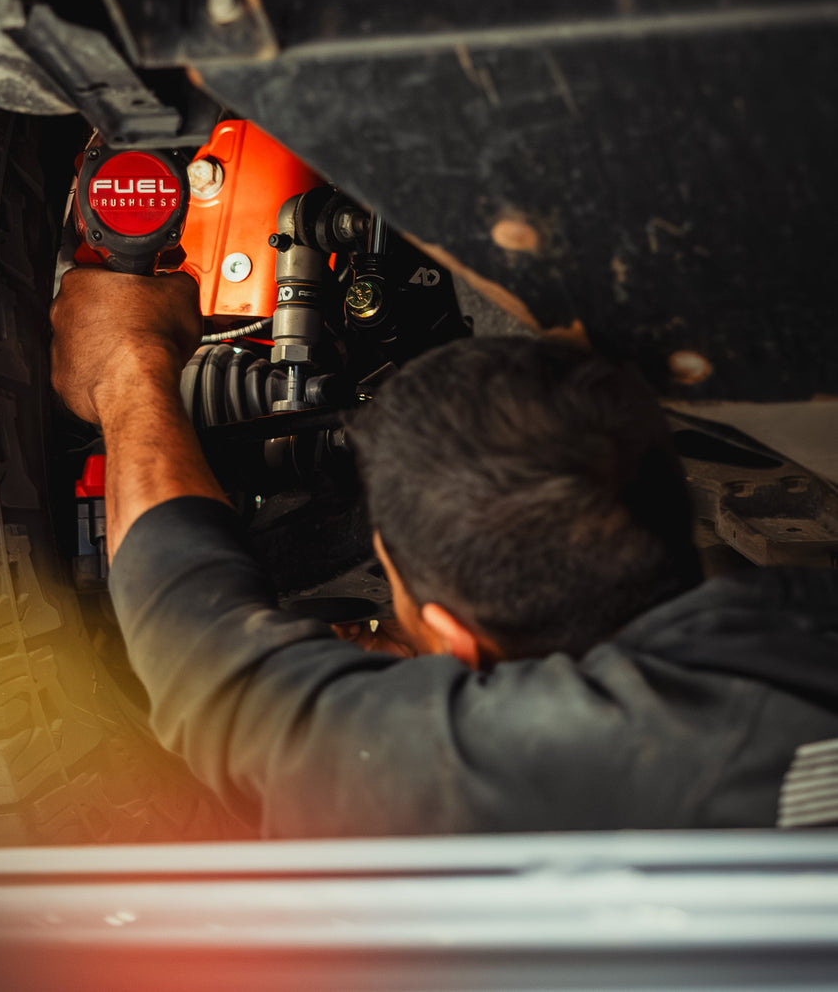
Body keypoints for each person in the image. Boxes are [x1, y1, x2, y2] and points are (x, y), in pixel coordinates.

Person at [50, 267, 838, 838]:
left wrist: (128, 372)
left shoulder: (565, 778)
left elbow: (203, 653)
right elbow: (203, 643)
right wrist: (129, 358)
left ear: (458, 643)